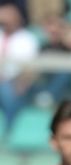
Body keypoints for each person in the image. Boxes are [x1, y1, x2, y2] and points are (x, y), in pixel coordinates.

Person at [0, 3, 39, 131]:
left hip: (15, 81)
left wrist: (23, 82)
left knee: (7, 92)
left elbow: (30, 67)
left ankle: (9, 130)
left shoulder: (27, 39)